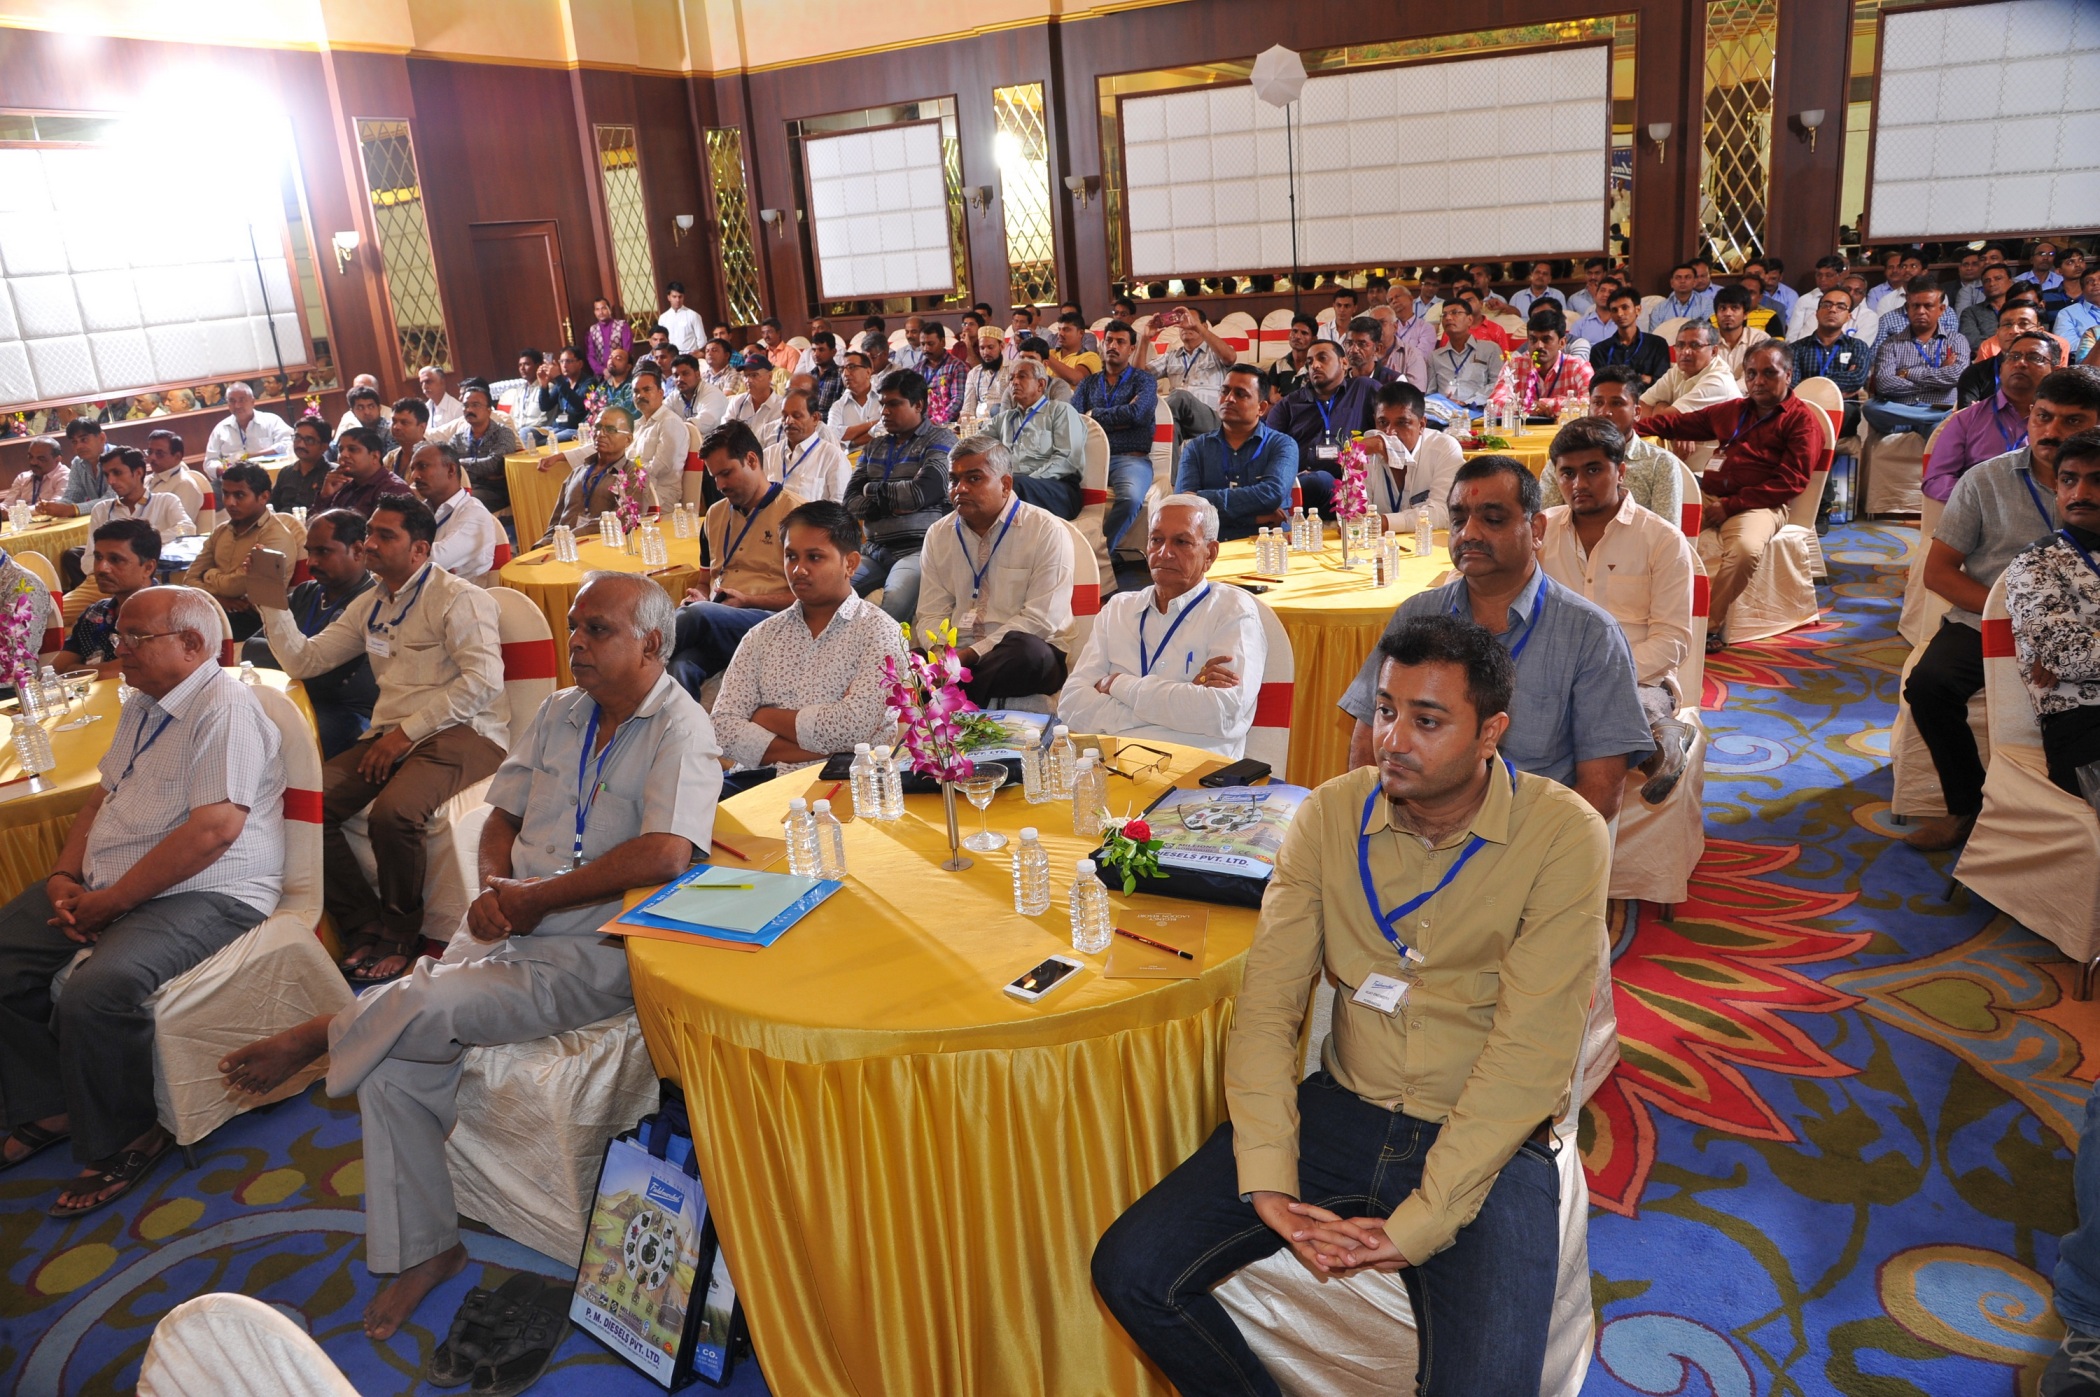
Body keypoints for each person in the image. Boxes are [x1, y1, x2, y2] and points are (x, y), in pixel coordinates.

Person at [1093, 614, 1606, 1397]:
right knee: (1132, 1269)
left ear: (1491, 732)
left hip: (1489, 1137)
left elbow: (1530, 1054)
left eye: (1426, 720)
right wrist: (1268, 1173)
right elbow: (1268, 1010)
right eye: (1385, 710)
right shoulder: (1330, 815)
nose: (1391, 738)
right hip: (1347, 1107)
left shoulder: (1562, 833)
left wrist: (1425, 1220)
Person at [220, 571, 717, 1343]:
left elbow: (665, 853)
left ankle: (322, 1033)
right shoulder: (559, 710)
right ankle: (430, 1249)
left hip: (596, 949)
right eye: (574, 625)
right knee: (391, 1062)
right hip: (511, 920)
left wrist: (537, 899)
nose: (576, 642)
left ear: (652, 643)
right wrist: (492, 886)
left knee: (419, 1003)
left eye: (597, 630)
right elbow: (501, 814)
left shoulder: (681, 728)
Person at [0, 585, 285, 1219]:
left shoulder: (224, 709)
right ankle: (50, 1102)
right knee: (3, 955)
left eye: (136, 638)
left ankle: (130, 1135)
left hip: (210, 889)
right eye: (119, 636)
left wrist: (113, 902)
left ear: (192, 644)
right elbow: (100, 798)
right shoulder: (145, 703)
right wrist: (64, 874)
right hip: (115, 880)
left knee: (98, 990)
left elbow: (214, 832)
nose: (118, 648)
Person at [252, 492, 506, 983]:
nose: (370, 543)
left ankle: (402, 932)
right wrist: (271, 603)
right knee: (306, 804)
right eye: (370, 532)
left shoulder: (459, 598)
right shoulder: (371, 604)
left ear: (420, 549)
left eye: (385, 535)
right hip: (392, 732)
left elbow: (483, 683)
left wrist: (405, 735)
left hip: (466, 731)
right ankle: (363, 921)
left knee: (394, 813)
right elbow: (306, 660)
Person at [1340, 456, 1653, 817]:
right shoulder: (1417, 615)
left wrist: (1521, 848)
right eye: (1458, 520)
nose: (1469, 534)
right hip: (1410, 827)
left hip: (1529, 835)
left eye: (1492, 520)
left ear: (1536, 530)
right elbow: (1366, 745)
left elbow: (1601, 791)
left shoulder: (1590, 634)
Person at [1904, 368, 2100, 851]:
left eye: (2072, 421)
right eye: (2043, 417)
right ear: (2028, 416)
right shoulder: (1984, 480)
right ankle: (1965, 806)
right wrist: (2033, 629)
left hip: (2088, 623)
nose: (2052, 432)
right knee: (1929, 685)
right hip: (1988, 619)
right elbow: (1939, 573)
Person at [1539, 417, 1697, 800]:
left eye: (1593, 470)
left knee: (1619, 708)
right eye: (1567, 473)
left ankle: (1659, 740)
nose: (1579, 484)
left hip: (1641, 680)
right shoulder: (1541, 533)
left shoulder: (1662, 540)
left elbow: (1673, 641)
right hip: (1555, 675)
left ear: (1621, 471)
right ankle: (1659, 738)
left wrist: (1600, 676)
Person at [711, 500, 911, 785]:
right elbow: (722, 728)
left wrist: (764, 716)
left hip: (844, 781)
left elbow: (854, 727)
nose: (798, 569)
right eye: (791, 556)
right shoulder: (762, 636)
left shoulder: (879, 632)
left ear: (850, 563)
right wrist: (821, 749)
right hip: (755, 779)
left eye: (814, 557)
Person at [1057, 494, 1266, 759]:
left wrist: (1118, 684)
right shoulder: (1118, 609)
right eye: (1156, 540)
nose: (1165, 553)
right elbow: (1071, 704)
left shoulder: (1232, 611)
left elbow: (1221, 713)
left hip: (1195, 769)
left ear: (1210, 553)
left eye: (1181, 542)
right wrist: (1177, 706)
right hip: (1114, 764)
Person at [1642, 343, 1817, 649]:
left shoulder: (1801, 420)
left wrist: (1732, 506)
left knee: (1744, 551)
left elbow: (1791, 482)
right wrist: (1630, 426)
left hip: (1760, 505)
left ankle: (1708, 626)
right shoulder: (1734, 410)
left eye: (1769, 373)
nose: (1758, 381)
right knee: (1656, 529)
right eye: (1751, 374)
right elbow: (1678, 423)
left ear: (1788, 375)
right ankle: (1654, 612)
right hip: (1710, 494)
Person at [914, 437, 1076, 706]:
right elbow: (931, 611)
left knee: (1028, 653)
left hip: (1022, 651)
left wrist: (969, 655)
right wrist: (941, 652)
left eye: (974, 478)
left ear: (1005, 485)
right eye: (953, 480)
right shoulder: (938, 533)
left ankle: (949, 701)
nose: (960, 488)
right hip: (958, 651)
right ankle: (955, 693)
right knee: (907, 658)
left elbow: (1040, 620)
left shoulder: (1046, 530)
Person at [666, 422, 803, 697]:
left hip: (773, 623)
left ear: (751, 460)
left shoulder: (798, 516)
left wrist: (748, 600)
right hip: (718, 620)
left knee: (698, 615)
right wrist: (700, 595)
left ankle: (631, 656)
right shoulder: (714, 516)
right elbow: (705, 580)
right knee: (679, 667)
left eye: (726, 473)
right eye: (714, 477)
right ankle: (684, 727)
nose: (720, 485)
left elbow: (811, 599)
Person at [2004, 427, 2100, 804]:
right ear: (2056, 489)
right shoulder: (2035, 564)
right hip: (2084, 725)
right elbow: (2069, 658)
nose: (2080, 493)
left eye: (2097, 480)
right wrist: (2076, 652)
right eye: (2069, 480)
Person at [243, 509, 379, 759]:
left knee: (270, 742)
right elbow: (251, 648)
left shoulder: (372, 603)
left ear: (358, 550)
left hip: (346, 714)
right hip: (290, 699)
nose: (311, 563)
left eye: (323, 552)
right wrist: (299, 660)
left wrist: (296, 657)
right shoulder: (307, 592)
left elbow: (328, 682)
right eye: (310, 552)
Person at [841, 370, 953, 623]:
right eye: (883, 405)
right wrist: (889, 504)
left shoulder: (940, 439)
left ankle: (877, 650)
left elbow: (921, 492)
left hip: (918, 550)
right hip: (873, 550)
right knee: (829, 595)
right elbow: (849, 502)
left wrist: (871, 491)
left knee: (891, 608)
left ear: (918, 405)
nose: (884, 412)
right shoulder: (874, 447)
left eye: (894, 404)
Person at [1925, 331, 2054, 503]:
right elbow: (1936, 480)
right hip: (1981, 512)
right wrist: (1983, 499)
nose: (2020, 363)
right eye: (2013, 357)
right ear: (2001, 369)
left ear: (2055, 371)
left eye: (2034, 357)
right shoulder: (1966, 419)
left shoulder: (2064, 423)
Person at [1070, 322, 1159, 567]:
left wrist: (1094, 414)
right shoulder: (1088, 383)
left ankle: (1096, 557)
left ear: (1132, 348)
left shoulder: (1144, 381)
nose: (1113, 346)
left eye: (1120, 342)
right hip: (1089, 457)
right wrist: (1121, 417)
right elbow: (1074, 420)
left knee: (1130, 499)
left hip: (1129, 458)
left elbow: (1138, 415)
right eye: (1109, 340)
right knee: (1056, 490)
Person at [1176, 364, 1298, 540]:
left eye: (1241, 394)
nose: (1229, 398)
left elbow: (1272, 494)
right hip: (1213, 545)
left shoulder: (1282, 445)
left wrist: (1201, 498)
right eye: (1224, 391)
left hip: (1270, 545)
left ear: (1261, 408)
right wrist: (1254, 518)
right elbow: (1185, 507)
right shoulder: (1196, 448)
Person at [183, 462, 301, 641]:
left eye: (239, 495)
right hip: (220, 610)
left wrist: (207, 574)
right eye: (226, 494)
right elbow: (189, 580)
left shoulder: (275, 536)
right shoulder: (221, 531)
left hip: (256, 621)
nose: (230, 502)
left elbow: (238, 585)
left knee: (184, 631)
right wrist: (220, 600)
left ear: (263, 497)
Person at [1271, 339, 1378, 515]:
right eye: (1310, 362)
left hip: (1355, 487)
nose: (1315, 365)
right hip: (1306, 488)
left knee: (1323, 481)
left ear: (1344, 363)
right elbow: (1271, 449)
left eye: (1322, 358)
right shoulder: (1289, 404)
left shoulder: (1363, 389)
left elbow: (1391, 424)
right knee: (1317, 481)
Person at [1356, 381, 1466, 532]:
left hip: (1427, 543)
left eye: (1402, 423)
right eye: (1383, 422)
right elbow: (1352, 518)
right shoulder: (1366, 451)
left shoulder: (1444, 448)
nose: (1390, 432)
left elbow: (1444, 512)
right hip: (1375, 543)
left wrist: (1381, 523)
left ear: (1422, 425)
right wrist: (1354, 461)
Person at [56, 521, 162, 677]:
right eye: (98, 557)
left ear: (148, 568)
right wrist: (98, 671)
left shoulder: (166, 616)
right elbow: (56, 671)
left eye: (115, 559)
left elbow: (139, 667)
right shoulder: (94, 614)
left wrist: (76, 670)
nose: (101, 568)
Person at [1866, 286, 1972, 438]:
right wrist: (1938, 382)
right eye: (1915, 306)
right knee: (1871, 407)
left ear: (1941, 309)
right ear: (1908, 308)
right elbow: (1884, 384)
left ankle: (1935, 417)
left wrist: (1907, 373)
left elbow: (1956, 376)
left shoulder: (1956, 340)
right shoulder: (1891, 344)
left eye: (1928, 306)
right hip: (1899, 412)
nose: (1921, 311)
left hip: (1936, 408)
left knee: (1940, 433)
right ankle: (1935, 417)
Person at [539, 407, 653, 546]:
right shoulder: (577, 472)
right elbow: (556, 521)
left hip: (602, 549)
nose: (600, 434)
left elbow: (624, 519)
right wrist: (545, 543)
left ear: (628, 440)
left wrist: (569, 537)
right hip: (563, 548)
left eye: (610, 430)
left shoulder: (634, 473)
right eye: (597, 427)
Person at [988, 357, 1086, 518]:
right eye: (1011, 378)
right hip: (1015, 485)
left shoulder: (1060, 411)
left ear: (1041, 384)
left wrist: (1030, 479)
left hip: (1057, 488)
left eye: (1022, 376)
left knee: (1012, 486)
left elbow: (1067, 460)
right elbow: (974, 445)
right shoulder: (1004, 419)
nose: (1014, 382)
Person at [1639, 324, 1743, 472]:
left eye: (1695, 345)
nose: (1685, 352)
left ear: (1714, 351)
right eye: (1680, 345)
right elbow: (1640, 408)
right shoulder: (1678, 370)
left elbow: (1662, 421)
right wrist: (1678, 425)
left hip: (1715, 473)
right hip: (1684, 468)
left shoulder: (1719, 381)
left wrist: (1675, 422)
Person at [1138, 307, 1235, 444]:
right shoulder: (1171, 356)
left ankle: (1148, 425)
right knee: (1170, 431)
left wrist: (1197, 327)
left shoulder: (1215, 352)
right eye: (1181, 322)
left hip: (1210, 420)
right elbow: (1138, 378)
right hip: (1181, 421)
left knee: (1180, 396)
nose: (1185, 325)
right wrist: (1144, 339)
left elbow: (1230, 358)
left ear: (1204, 326)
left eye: (1190, 321)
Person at [406, 442, 499, 580]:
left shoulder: (474, 513)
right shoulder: (420, 511)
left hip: (461, 592)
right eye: (412, 469)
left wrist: (388, 551)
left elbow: (434, 560)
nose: (414, 476)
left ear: (450, 470)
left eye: (423, 466)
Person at [1786, 285, 1873, 418]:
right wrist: (1838, 385)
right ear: (1816, 313)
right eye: (1827, 305)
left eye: (1840, 307)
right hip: (1805, 405)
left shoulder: (1857, 347)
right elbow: (1793, 385)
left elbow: (1856, 379)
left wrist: (1808, 382)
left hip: (1843, 405)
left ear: (1848, 316)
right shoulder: (1796, 348)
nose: (1832, 310)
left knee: (1848, 413)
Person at [1488, 309, 1593, 419]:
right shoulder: (1514, 366)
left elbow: (1590, 403)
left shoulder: (1578, 367)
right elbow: (1494, 404)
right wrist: (1530, 406)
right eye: (1533, 339)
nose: (1539, 346)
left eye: (1546, 339)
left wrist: (1545, 404)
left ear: (1562, 343)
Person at [760, 388, 850, 504]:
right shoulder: (768, 455)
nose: (788, 421)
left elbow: (840, 507)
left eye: (797, 416)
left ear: (815, 418)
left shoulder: (833, 457)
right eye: (784, 415)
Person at [87, 446, 193, 544]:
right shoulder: (101, 510)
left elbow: (188, 528)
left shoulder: (165, 501)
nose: (110, 481)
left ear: (138, 472)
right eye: (107, 475)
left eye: (117, 473)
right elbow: (90, 555)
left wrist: (142, 543)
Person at [451, 383, 522, 523]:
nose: (469, 410)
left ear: (489, 410)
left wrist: (460, 463)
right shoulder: (458, 437)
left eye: (475, 405)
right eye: (465, 405)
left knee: (463, 503)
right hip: (466, 486)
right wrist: (480, 469)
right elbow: (447, 464)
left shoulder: (503, 433)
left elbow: (494, 464)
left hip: (495, 490)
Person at [626, 365, 686, 509]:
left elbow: (661, 466)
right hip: (636, 488)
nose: (640, 395)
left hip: (661, 495)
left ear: (660, 393)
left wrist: (626, 474)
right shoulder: (637, 424)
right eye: (636, 391)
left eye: (646, 390)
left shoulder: (669, 422)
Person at [1590, 287, 1673, 390]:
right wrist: (1642, 378)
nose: (1620, 314)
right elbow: (1599, 385)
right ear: (1611, 314)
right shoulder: (1599, 350)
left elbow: (1663, 383)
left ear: (1638, 310)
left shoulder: (1657, 344)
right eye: (1614, 310)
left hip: (1649, 398)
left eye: (1625, 307)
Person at [323, 428, 414, 519]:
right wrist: (326, 496)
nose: (343, 455)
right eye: (340, 450)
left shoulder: (393, 489)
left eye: (352, 449)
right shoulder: (345, 485)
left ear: (375, 456)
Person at [1428, 301, 1504, 406]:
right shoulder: (1435, 356)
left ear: (1470, 320)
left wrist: (1467, 403)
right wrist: (1443, 403)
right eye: (1444, 315)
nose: (1448, 318)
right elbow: (1430, 392)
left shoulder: (1490, 349)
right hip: (1445, 411)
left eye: (1455, 313)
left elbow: (1498, 383)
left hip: (1479, 410)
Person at [203, 383, 294, 465]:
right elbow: (209, 462)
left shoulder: (271, 421)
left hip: (268, 473)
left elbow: (289, 443)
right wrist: (224, 469)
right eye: (232, 401)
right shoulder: (220, 429)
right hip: (234, 476)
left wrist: (251, 456)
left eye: (242, 400)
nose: (237, 405)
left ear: (253, 401)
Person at [42, 418, 110, 518]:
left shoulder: (118, 458)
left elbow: (113, 499)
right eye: (74, 442)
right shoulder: (78, 463)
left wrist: (74, 509)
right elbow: (72, 495)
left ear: (102, 438)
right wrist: (54, 507)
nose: (78, 446)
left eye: (84, 440)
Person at [1709, 286, 1773, 388]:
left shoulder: (1760, 339)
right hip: (1714, 394)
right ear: (1716, 314)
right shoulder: (1706, 341)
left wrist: (1730, 392)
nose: (1728, 314)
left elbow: (1756, 376)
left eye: (1734, 308)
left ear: (1745, 314)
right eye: (1723, 308)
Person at [271, 419, 335, 517]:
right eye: (297, 437)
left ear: (324, 447)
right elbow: (272, 506)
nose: (300, 444)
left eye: (309, 440)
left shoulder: (332, 475)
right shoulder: (286, 472)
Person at [1960, 264, 2020, 354]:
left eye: (1998, 278)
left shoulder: (2021, 308)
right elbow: (1972, 342)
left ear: (2010, 282)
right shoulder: (1971, 312)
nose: (1992, 284)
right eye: (1987, 281)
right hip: (1987, 358)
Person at [538, 346, 595, 442]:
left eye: (568, 361)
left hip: (576, 429)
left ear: (580, 364)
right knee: (526, 432)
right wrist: (543, 385)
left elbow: (579, 406)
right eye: (561, 361)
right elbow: (545, 406)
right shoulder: (563, 382)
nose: (564, 365)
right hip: (557, 428)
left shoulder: (589, 382)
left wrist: (558, 378)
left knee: (549, 441)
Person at [1641, 263, 1715, 332]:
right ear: (1672, 283)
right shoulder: (1659, 309)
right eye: (1678, 278)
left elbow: (1711, 332)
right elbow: (1654, 334)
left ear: (1694, 282)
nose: (1682, 281)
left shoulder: (1707, 305)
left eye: (1687, 277)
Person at [4, 435, 69, 509]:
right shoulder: (22, 477)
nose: (33, 462)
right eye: (30, 457)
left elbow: (54, 506)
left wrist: (18, 511)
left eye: (41, 458)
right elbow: (7, 504)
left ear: (57, 459)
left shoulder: (66, 477)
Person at [727, 352, 782, 438]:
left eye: (754, 375)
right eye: (746, 376)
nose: (748, 380)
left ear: (769, 376)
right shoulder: (737, 402)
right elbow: (725, 433)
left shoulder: (781, 407)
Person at [1264, 314, 1317, 400]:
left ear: (1313, 339)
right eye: (1294, 331)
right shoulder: (1278, 365)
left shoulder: (1317, 365)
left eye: (1304, 333)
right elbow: (1272, 397)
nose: (1297, 336)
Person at [500, 351, 550, 442]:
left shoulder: (547, 388)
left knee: (525, 432)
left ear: (538, 366)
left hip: (537, 433)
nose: (522, 368)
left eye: (527, 364)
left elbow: (546, 419)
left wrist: (524, 431)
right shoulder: (519, 391)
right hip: (518, 434)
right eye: (520, 365)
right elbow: (511, 417)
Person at [1047, 314, 1103, 388]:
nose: (1060, 334)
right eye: (1059, 329)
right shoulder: (1051, 353)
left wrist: (1046, 356)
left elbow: (1076, 379)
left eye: (1066, 330)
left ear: (1081, 333)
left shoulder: (1090, 356)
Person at [585, 298, 632, 379]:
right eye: (597, 309)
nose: (601, 312)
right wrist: (603, 370)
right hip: (601, 375)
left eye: (604, 308)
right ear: (594, 312)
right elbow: (590, 356)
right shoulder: (592, 330)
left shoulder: (622, 326)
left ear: (609, 310)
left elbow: (627, 351)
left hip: (621, 372)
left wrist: (617, 369)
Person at [383, 398, 429, 478]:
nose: (396, 427)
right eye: (394, 421)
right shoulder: (390, 457)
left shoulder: (433, 459)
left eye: (404, 422)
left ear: (422, 427)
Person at [417, 367, 463, 437]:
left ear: (442, 382)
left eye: (428, 381)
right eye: (421, 383)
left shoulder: (457, 408)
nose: (424, 386)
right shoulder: (424, 409)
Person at [660, 281, 704, 352]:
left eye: (680, 297)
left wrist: (699, 354)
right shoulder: (663, 318)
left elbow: (701, 340)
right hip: (671, 355)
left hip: (689, 355)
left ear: (683, 297)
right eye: (674, 297)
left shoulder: (693, 315)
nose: (677, 300)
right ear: (669, 297)